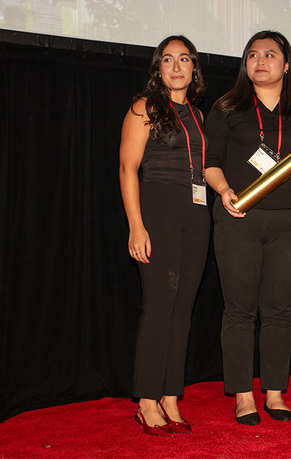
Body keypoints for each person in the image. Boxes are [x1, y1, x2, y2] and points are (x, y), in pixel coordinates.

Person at [204, 30, 291, 425]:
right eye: (253, 55)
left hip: (289, 221)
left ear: (286, 64)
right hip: (238, 219)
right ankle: (243, 395)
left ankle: (274, 392)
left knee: (279, 310)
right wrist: (224, 190)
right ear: (245, 64)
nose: (261, 61)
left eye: (270, 54)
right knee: (239, 310)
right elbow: (211, 162)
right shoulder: (227, 108)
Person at [119, 35, 210, 436]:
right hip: (158, 208)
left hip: (197, 213)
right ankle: (145, 401)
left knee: (182, 307)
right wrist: (136, 225)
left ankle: (171, 396)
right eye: (168, 59)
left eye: (184, 59)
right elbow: (127, 169)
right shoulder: (144, 108)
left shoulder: (198, 115)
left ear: (194, 68)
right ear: (158, 68)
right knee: (158, 306)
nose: (177, 66)